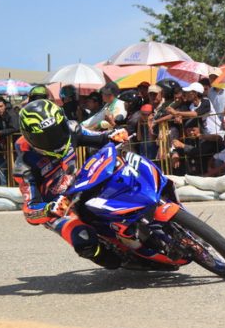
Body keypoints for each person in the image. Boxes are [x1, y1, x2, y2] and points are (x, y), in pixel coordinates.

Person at [13, 99, 136, 269]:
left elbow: (99, 138)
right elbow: (30, 210)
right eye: (45, 138)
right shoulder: (25, 165)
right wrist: (49, 209)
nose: (56, 139)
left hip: (79, 184)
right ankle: (120, 261)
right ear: (30, 138)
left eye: (58, 130)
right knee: (84, 241)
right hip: (58, 207)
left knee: (122, 178)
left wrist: (114, 135)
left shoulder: (71, 129)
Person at [0, 97, 20, 185]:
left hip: (17, 148)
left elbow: (15, 128)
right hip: (8, 149)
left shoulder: (11, 113)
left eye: (1, 106)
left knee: (1, 168)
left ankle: (6, 190)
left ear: (5, 106)